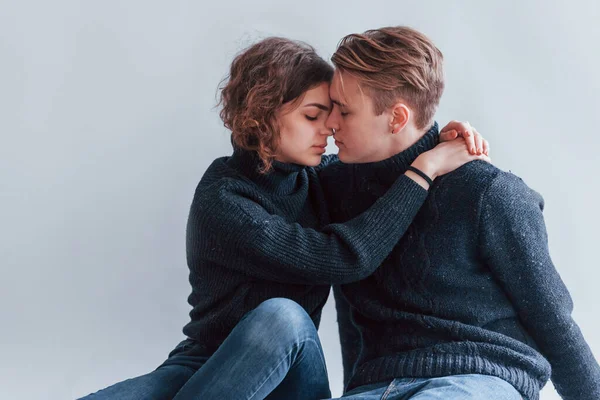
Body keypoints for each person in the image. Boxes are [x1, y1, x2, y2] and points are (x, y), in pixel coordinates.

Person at [78, 37, 488, 400]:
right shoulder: (224, 198)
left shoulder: (317, 178)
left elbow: (384, 157)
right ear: (263, 116)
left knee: (283, 317)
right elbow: (344, 257)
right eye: (313, 116)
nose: (330, 126)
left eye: (331, 114)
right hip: (205, 365)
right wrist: (426, 167)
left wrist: (435, 138)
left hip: (291, 379)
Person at [318, 26, 600, 400]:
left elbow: (552, 321)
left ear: (397, 119)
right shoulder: (332, 185)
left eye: (344, 110)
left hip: (478, 376)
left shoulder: (486, 191)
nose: (329, 122)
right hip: (376, 386)